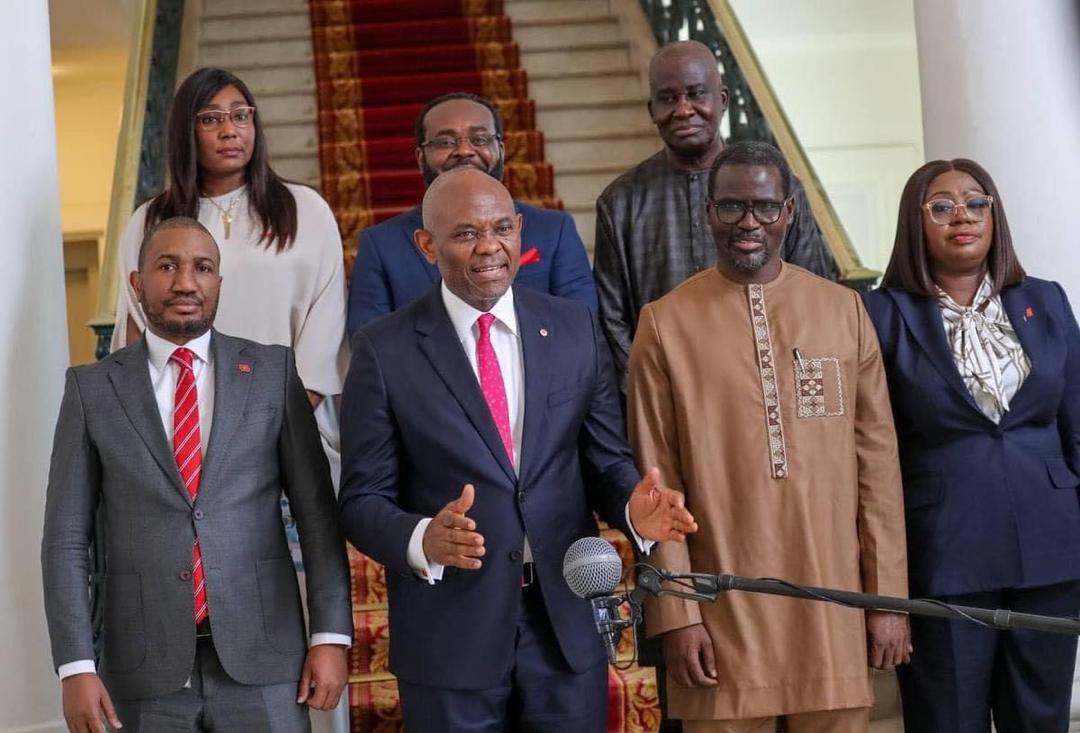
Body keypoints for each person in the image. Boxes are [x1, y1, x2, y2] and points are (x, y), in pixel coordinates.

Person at [337, 167, 697, 731]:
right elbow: (361, 499)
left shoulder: (574, 326)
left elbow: (603, 459)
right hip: (450, 632)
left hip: (564, 623)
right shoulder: (384, 351)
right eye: (465, 234)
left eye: (501, 228)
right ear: (427, 245)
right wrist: (421, 537)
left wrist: (634, 511)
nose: (489, 247)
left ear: (520, 230)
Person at [628, 141, 909, 732]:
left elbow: (877, 468)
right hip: (721, 607)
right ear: (708, 213)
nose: (747, 223)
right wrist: (677, 613)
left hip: (832, 601)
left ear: (789, 213)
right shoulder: (665, 323)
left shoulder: (844, 312)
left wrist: (886, 599)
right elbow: (658, 484)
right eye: (731, 208)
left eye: (763, 206)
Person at [42, 218, 353, 732]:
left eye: (202, 268)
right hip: (141, 668)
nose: (186, 282)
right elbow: (65, 540)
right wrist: (75, 665)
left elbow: (317, 517)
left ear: (218, 284)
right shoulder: (91, 389)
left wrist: (330, 636)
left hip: (266, 659)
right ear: (137, 283)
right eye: (167, 266)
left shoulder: (273, 373)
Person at [863, 159, 1080, 732]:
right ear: (916, 223)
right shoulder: (880, 315)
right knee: (947, 721)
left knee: (1041, 720)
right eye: (941, 206)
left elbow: (1076, 427)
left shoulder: (1046, 300)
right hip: (944, 559)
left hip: (1050, 553)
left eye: (976, 202)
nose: (962, 215)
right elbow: (869, 451)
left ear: (994, 215)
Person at [110, 67, 347, 479]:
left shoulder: (304, 208)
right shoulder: (150, 220)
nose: (229, 130)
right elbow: (136, 335)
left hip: (286, 434)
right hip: (182, 439)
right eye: (210, 118)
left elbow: (324, 332)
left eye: (241, 115)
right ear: (186, 130)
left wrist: (257, 429)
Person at [595, 40, 839, 395]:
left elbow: (812, 291)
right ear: (652, 109)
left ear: (722, 100)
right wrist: (647, 392)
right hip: (665, 396)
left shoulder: (778, 187)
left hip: (771, 391)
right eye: (668, 98)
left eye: (696, 93)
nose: (683, 109)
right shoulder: (621, 202)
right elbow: (612, 319)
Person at [346, 91, 596, 333]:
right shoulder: (380, 244)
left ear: (501, 149)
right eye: (446, 142)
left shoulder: (555, 230)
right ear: (421, 158)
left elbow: (582, 329)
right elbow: (370, 345)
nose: (465, 151)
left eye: (480, 139)